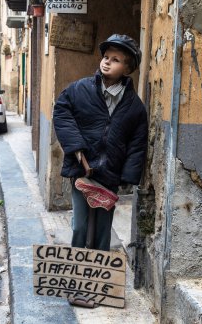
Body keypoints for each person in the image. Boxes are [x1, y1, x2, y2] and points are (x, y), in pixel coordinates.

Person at [53, 34, 148, 251]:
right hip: (81, 172)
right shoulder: (79, 89)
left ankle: (97, 276)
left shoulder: (135, 107)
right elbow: (61, 112)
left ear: (127, 68)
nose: (107, 61)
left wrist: (127, 176)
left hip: (109, 175)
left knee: (103, 231)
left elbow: (137, 143)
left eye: (115, 59)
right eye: (106, 56)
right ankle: (76, 269)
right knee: (79, 226)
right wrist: (76, 148)